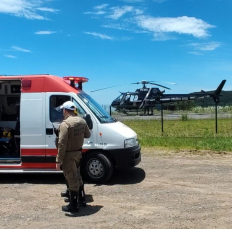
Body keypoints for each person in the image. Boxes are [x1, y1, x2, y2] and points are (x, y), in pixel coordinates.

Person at [56, 101, 91, 212]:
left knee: (72, 179)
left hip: (68, 155)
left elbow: (62, 143)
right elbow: (87, 134)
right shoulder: (82, 121)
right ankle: (82, 200)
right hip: (78, 153)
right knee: (78, 177)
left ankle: (73, 205)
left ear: (65, 110)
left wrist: (58, 160)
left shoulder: (65, 124)